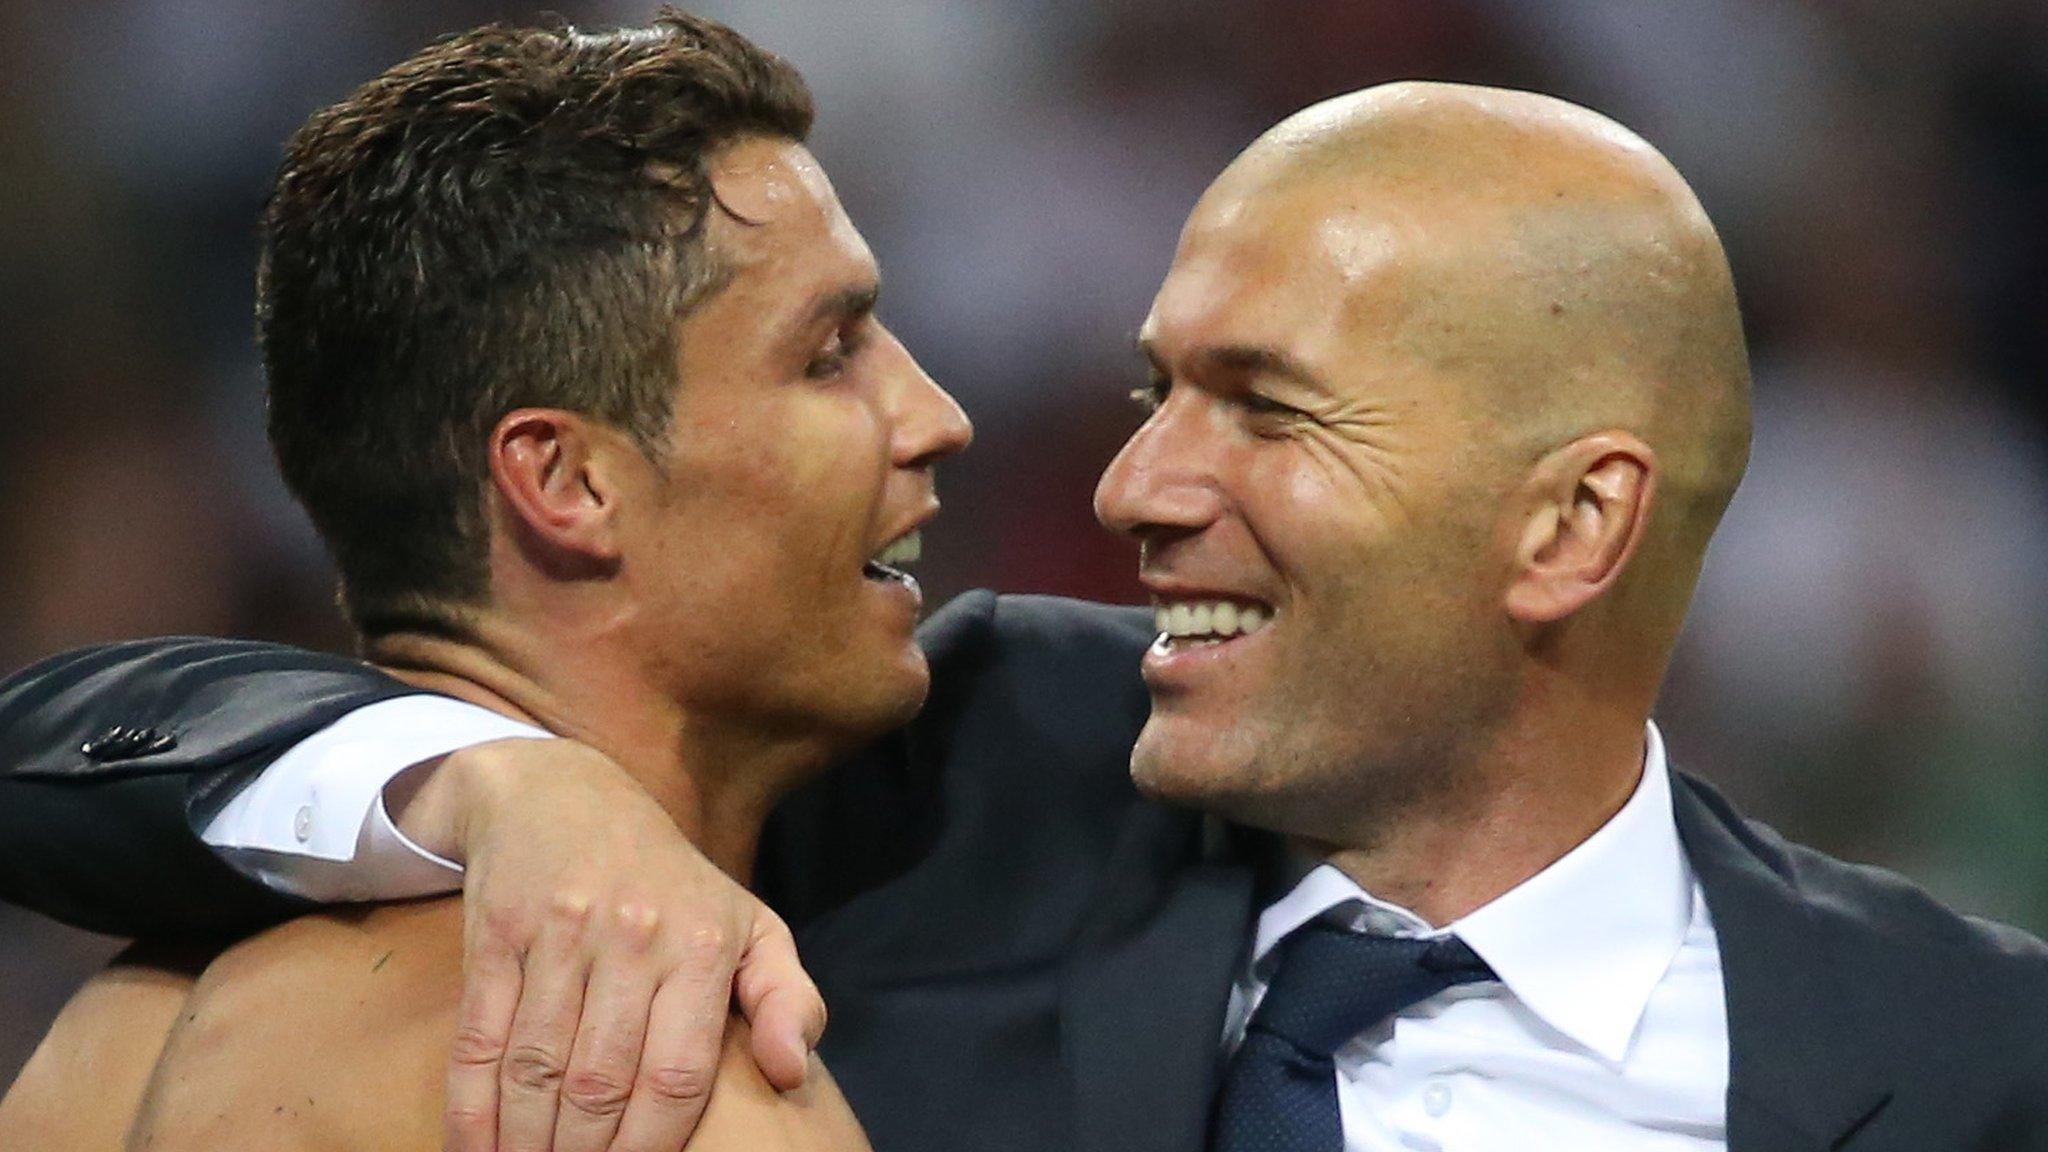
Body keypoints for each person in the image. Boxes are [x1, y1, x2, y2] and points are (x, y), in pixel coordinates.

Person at [7, 79, 2048, 1152]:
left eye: (1260, 410)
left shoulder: (1973, 1059)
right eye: (1159, 386)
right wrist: (498, 785)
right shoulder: (948, 767)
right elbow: (70, 746)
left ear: (1568, 528)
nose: (1126, 485)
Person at [0, 11, 975, 1152]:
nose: (935, 417)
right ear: (565, 479)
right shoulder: (656, 1087)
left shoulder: (102, 1042)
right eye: (826, 356)